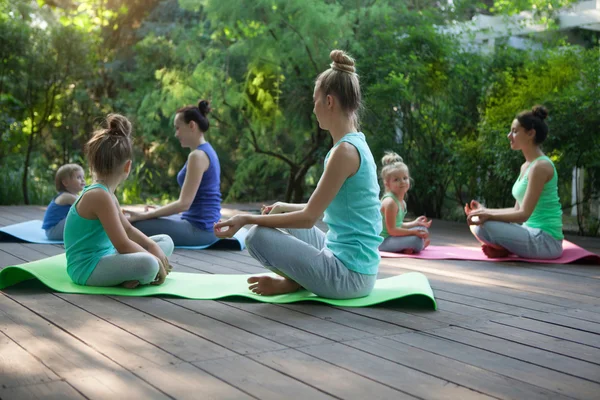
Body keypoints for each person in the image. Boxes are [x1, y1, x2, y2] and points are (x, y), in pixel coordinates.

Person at [214, 50, 383, 299]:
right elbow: (326, 208)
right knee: (280, 219)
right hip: (346, 260)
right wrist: (284, 206)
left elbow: (308, 219)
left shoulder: (344, 152)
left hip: (350, 276)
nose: (313, 110)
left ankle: (293, 282)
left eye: (314, 102)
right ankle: (297, 281)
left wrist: (245, 219)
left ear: (329, 102)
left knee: (257, 236)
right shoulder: (354, 144)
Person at [64, 114, 173, 288]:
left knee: (165, 242)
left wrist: (152, 247)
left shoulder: (107, 194)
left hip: (108, 255)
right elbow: (122, 244)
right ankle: (134, 275)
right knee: (150, 264)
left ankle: (131, 276)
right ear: (127, 167)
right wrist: (154, 259)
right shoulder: (99, 196)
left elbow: (128, 229)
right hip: (87, 269)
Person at [465, 105, 563, 259]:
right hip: (529, 233)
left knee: (485, 224)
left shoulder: (541, 166)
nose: (509, 135)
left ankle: (502, 246)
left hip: (546, 241)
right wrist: (484, 211)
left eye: (515, 131)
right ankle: (503, 247)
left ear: (530, 133)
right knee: (477, 221)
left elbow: (523, 215)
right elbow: (517, 209)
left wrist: (488, 215)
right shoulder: (526, 166)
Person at [127, 100, 222, 247]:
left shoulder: (197, 156)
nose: (176, 134)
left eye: (178, 128)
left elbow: (184, 204)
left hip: (200, 230)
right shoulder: (206, 151)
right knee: (142, 220)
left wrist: (144, 215)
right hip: (199, 225)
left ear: (192, 126)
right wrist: (158, 211)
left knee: (131, 226)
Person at [378, 152, 431, 254]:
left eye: (405, 178)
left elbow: (398, 224)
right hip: (383, 242)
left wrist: (415, 223)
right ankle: (414, 246)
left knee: (422, 229)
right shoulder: (390, 202)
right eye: (396, 179)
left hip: (393, 236)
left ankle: (406, 247)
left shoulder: (401, 202)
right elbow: (392, 230)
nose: (402, 182)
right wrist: (413, 232)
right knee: (416, 240)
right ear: (387, 183)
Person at [42, 164, 85, 240]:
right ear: (65, 183)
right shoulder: (66, 197)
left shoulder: (72, 196)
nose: (83, 180)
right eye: (78, 177)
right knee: (80, 216)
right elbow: (86, 206)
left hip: (55, 230)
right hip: (53, 231)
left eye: (83, 177)